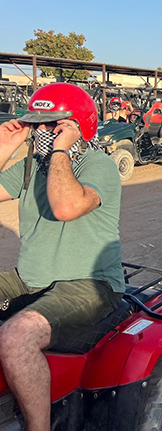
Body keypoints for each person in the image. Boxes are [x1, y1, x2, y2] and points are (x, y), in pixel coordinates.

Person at [0, 83, 124, 431]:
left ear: (76, 126)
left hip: (89, 284)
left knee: (16, 337)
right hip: (30, 278)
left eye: (51, 124)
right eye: (36, 123)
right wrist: (5, 146)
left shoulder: (99, 165)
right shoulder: (32, 166)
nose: (40, 131)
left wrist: (61, 150)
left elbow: (66, 206)